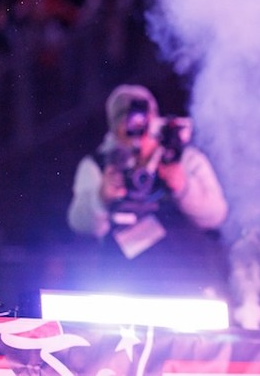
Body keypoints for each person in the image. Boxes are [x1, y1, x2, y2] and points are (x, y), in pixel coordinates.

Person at [67, 83, 229, 296]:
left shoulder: (186, 160)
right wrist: (100, 198)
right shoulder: (99, 165)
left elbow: (216, 215)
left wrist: (183, 187)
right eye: (128, 124)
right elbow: (78, 224)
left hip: (186, 287)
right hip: (121, 286)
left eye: (143, 122)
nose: (138, 133)